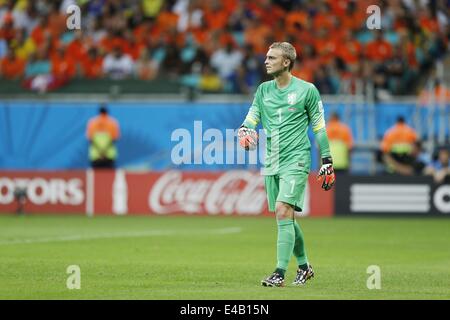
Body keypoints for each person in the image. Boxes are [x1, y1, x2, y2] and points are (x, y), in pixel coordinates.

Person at [238, 42, 335, 287]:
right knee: (286, 217)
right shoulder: (263, 90)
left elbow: (319, 128)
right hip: (272, 160)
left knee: (283, 209)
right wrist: (244, 130)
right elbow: (252, 117)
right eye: (266, 57)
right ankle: (304, 267)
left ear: (286, 62)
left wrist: (327, 161)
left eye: (272, 58)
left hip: (297, 158)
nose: (266, 61)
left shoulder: (307, 90)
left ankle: (279, 273)